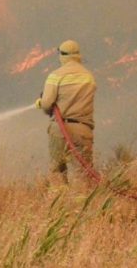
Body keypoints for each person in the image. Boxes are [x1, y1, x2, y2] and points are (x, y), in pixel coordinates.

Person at [35, 39, 96, 187]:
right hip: (83, 130)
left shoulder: (56, 76)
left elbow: (48, 103)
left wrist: (40, 103)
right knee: (83, 173)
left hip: (60, 129)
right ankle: (83, 205)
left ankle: (60, 203)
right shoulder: (89, 76)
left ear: (62, 55)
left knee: (57, 170)